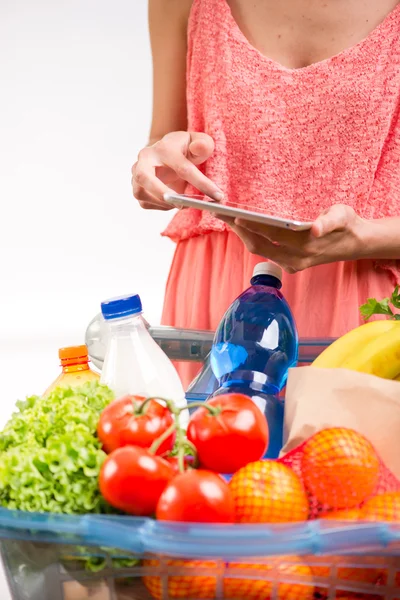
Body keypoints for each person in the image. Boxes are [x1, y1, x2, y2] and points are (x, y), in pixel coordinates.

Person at [132, 0, 400, 389]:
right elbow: (166, 141)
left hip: (365, 297)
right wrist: (158, 162)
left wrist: (364, 237)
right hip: (217, 291)